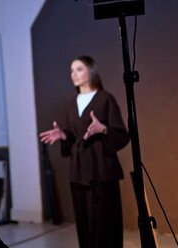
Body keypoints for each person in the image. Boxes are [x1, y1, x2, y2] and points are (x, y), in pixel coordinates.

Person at [39, 56, 130, 248]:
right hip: (78, 171)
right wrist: (63, 135)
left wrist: (103, 128)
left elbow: (121, 134)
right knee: (84, 223)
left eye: (79, 69)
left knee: (104, 224)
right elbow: (74, 134)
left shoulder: (106, 98)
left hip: (101, 170)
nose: (74, 74)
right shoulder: (71, 103)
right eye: (71, 70)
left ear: (91, 71)